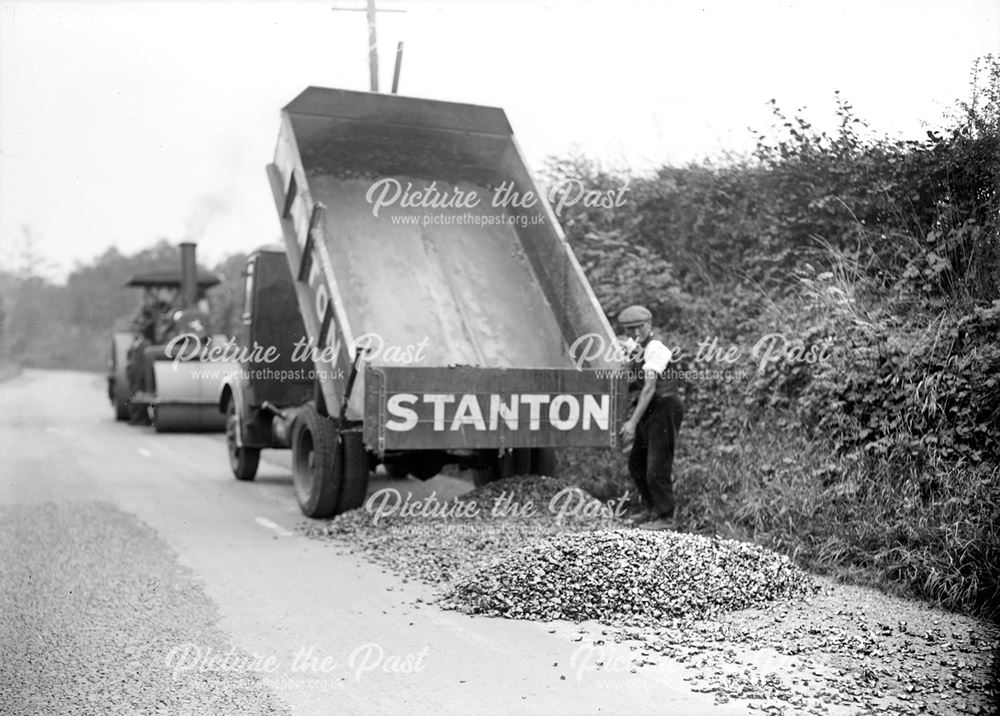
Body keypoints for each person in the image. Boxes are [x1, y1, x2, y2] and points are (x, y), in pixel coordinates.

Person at [617, 305, 684, 530]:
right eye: (630, 329)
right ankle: (651, 509)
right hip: (649, 408)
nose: (636, 331)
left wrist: (632, 422)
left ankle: (666, 517)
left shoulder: (655, 348)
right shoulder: (636, 346)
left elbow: (649, 388)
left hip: (664, 406)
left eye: (639, 326)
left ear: (649, 324)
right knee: (636, 463)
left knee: (657, 464)